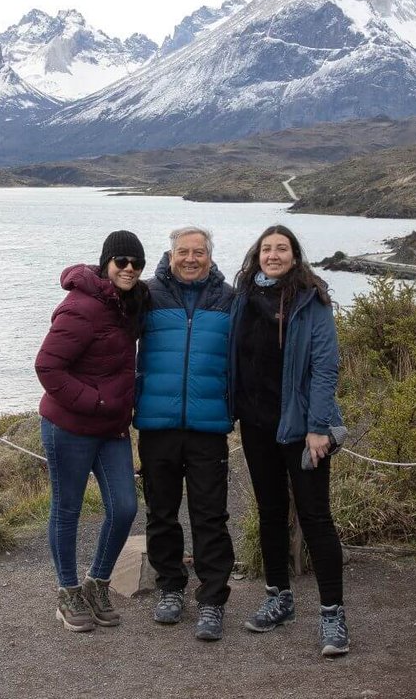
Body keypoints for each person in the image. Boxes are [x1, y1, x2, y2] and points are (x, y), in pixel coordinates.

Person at [230, 224, 350, 657]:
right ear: (257, 255)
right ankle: (278, 597)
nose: (274, 255)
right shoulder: (242, 298)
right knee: (269, 512)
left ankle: (333, 615)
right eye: (267, 248)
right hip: (255, 424)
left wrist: (319, 426)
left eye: (282, 248)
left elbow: (325, 368)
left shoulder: (311, 301)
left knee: (316, 518)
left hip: (302, 429)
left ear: (295, 256)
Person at [35, 229, 149, 632]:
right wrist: (96, 403)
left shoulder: (128, 303)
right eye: (122, 262)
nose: (130, 269)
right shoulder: (81, 306)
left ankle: (97, 582)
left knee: (125, 507)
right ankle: (68, 592)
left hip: (111, 428)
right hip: (69, 425)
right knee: (67, 508)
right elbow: (47, 367)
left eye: (138, 263)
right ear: (106, 263)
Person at [134, 226, 237, 641]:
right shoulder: (147, 295)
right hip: (157, 424)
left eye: (198, 252)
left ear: (210, 257)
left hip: (208, 426)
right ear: (170, 254)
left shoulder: (230, 300)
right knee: (161, 513)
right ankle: (171, 587)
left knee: (210, 516)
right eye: (183, 252)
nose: (190, 259)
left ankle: (212, 600)